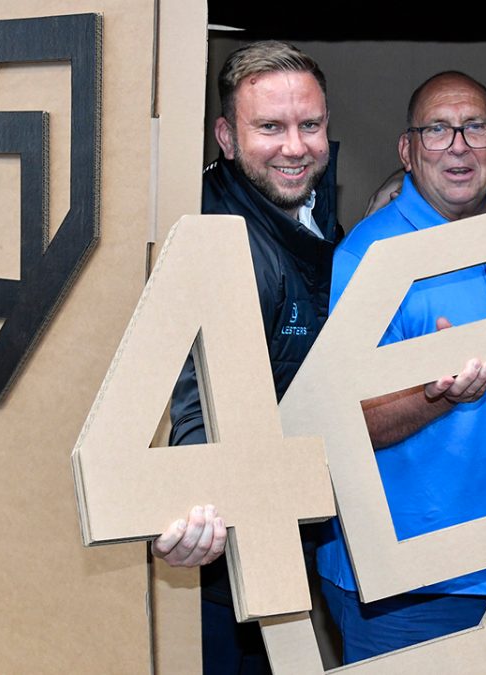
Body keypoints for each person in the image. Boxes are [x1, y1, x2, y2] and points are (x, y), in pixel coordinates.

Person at [315, 71, 486, 664]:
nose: (458, 146)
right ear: (407, 149)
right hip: (408, 584)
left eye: (475, 128)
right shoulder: (368, 256)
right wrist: (436, 395)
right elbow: (342, 424)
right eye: (437, 130)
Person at [150, 40, 340, 674]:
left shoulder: (306, 208)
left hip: (288, 530)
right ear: (227, 138)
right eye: (270, 128)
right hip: (230, 564)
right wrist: (192, 506)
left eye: (309, 125)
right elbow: (193, 399)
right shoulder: (220, 242)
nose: (295, 147)